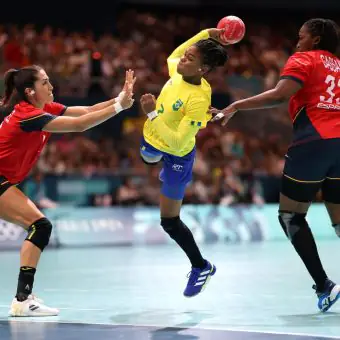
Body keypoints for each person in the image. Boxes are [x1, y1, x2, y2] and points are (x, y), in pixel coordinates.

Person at [212, 18, 340, 312]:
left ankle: (324, 286)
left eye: (302, 36)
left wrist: (235, 106)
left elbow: (281, 95)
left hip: (314, 143)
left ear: (316, 39)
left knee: (291, 216)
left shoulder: (304, 59)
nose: (298, 41)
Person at [0, 65, 135, 316]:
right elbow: (81, 125)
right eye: (45, 83)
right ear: (30, 91)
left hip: (4, 181)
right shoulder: (27, 115)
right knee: (40, 225)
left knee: (39, 226)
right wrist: (119, 109)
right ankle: (22, 299)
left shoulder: (44, 108)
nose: (51, 87)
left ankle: (23, 297)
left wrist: (119, 98)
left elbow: (85, 110)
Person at [139, 28, 229, 297]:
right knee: (147, 157)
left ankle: (201, 266)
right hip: (153, 141)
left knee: (169, 221)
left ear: (202, 69)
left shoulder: (199, 97)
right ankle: (158, 163)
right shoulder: (177, 70)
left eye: (189, 59)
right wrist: (206, 34)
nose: (182, 60)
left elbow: (178, 143)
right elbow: (176, 54)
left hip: (178, 154)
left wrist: (153, 113)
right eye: (185, 56)